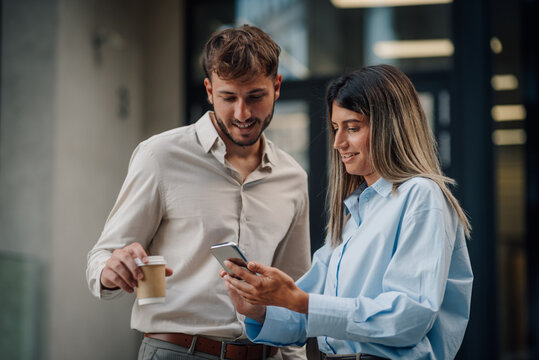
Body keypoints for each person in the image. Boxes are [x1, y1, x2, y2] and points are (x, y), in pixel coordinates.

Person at [86, 24, 311, 360]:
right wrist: (109, 270)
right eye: (228, 97)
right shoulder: (160, 156)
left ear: (276, 86)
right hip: (177, 351)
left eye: (255, 96)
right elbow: (103, 256)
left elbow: (293, 289)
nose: (242, 114)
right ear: (209, 89)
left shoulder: (293, 176)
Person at [221, 64, 473, 360]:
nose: (339, 143)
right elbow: (307, 315)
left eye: (353, 128)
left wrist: (299, 300)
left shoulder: (420, 196)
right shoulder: (354, 214)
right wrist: (259, 308)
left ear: (389, 126)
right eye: (336, 128)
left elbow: (409, 318)